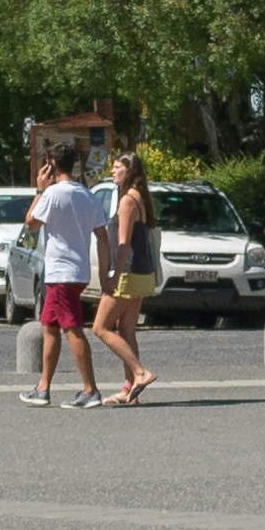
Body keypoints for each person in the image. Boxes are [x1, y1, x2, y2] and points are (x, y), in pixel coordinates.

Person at [24, 151, 111, 408]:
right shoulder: (87, 195)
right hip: (77, 271)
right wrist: (105, 272)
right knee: (50, 326)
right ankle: (43, 387)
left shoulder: (52, 194)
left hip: (60, 273)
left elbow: (30, 223)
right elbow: (102, 235)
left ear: (51, 166)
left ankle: (90, 389)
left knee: (72, 328)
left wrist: (39, 190)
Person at [96, 152, 160, 404]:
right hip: (142, 274)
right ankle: (129, 390)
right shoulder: (139, 197)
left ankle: (140, 372)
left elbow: (123, 244)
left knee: (100, 328)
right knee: (126, 330)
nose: (112, 171)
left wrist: (114, 275)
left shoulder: (127, 202)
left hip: (129, 273)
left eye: (117, 167)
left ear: (129, 171)